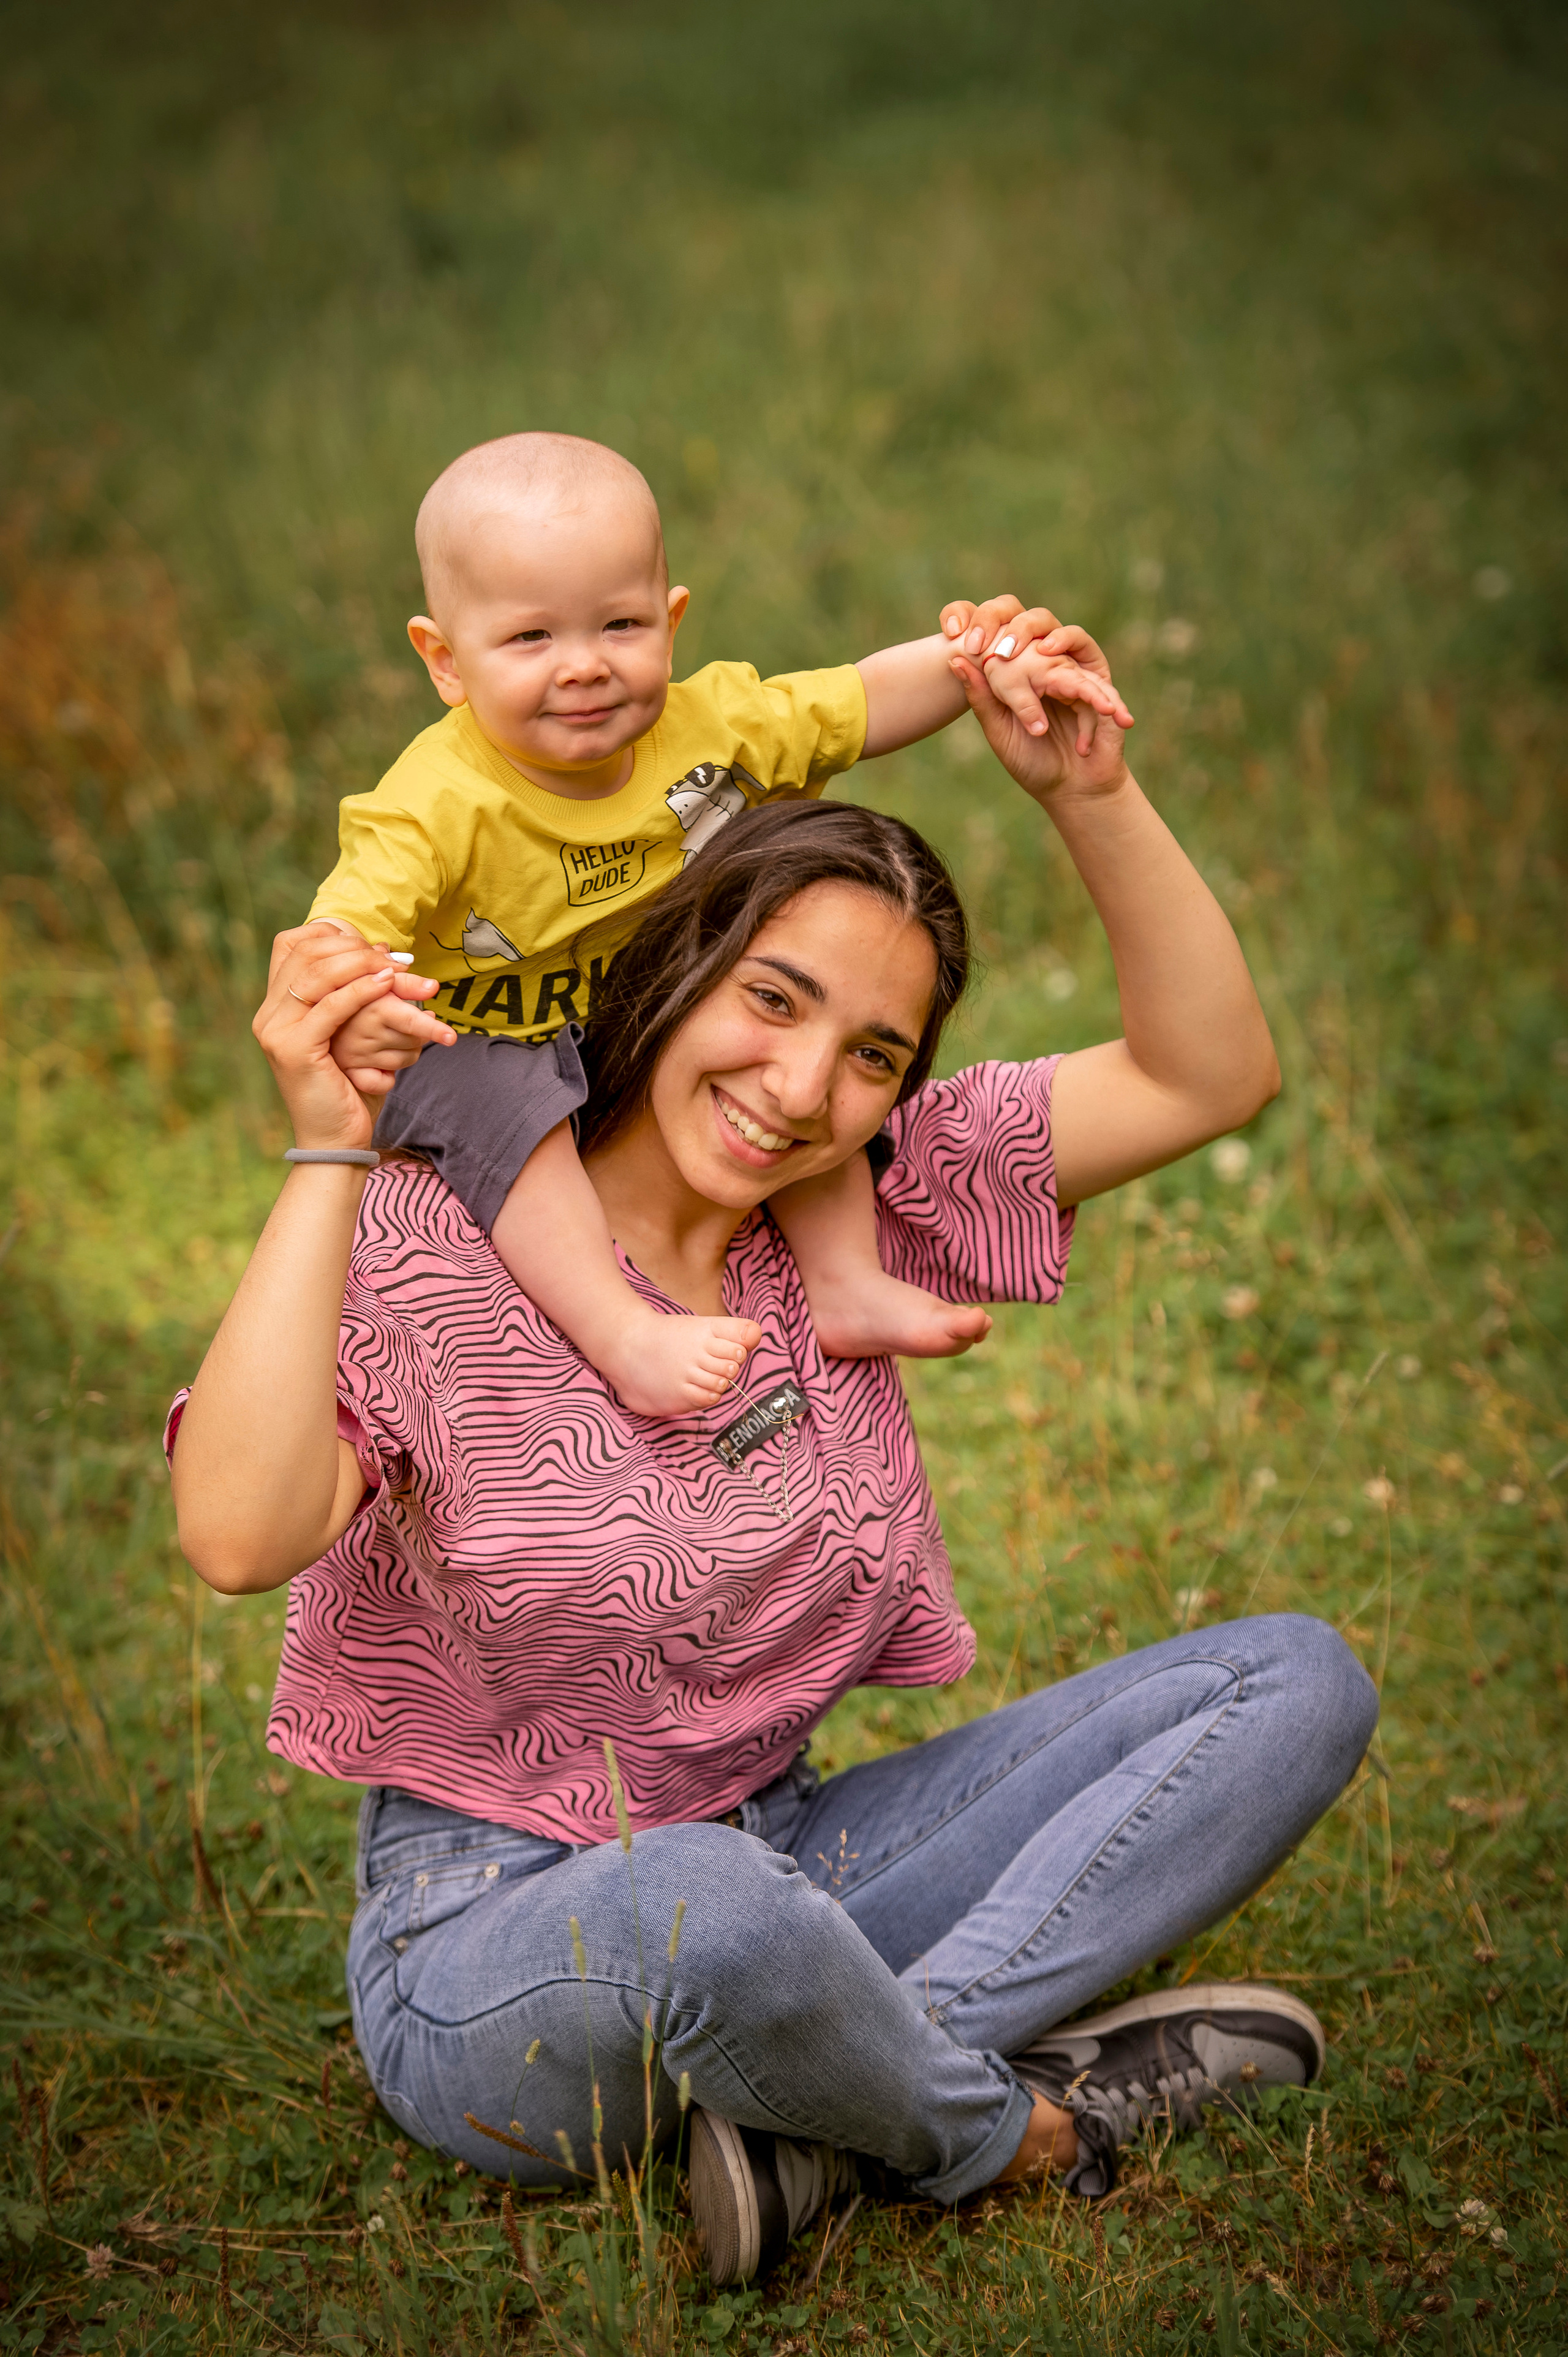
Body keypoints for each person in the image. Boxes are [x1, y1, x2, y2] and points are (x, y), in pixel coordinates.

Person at [171, 619, 1377, 2288]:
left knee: (1295, 1684)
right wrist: (328, 1151)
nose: (803, 1088)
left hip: (794, 1853)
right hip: (497, 1945)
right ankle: (993, 2127)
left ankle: (829, 2099)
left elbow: (1206, 1073)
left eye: (874, 1054)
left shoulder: (857, 1205)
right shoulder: (440, 1235)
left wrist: (1088, 794)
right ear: (674, 963)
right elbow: (238, 1538)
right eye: (772, 1000)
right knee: (709, 1910)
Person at [304, 429, 1131, 1415]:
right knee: (515, 1113)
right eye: (531, 639)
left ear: (671, 620)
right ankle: (622, 1333)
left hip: (630, 1018)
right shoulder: (431, 806)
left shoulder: (711, 728)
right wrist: (359, 1005)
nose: (583, 667)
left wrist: (983, 659)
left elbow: (861, 700)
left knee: (789, 1065)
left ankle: (845, 1281)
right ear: (445, 661)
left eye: (620, 625)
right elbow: (341, 938)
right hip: (479, 1045)